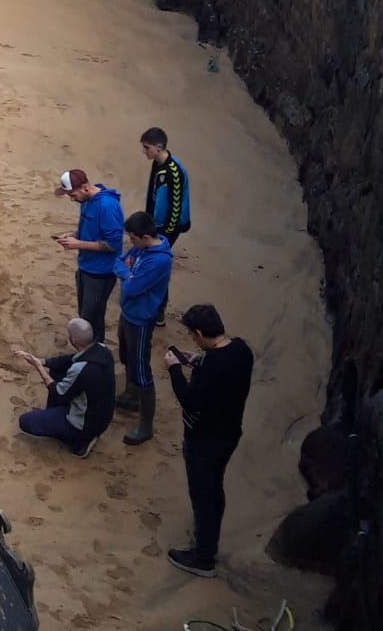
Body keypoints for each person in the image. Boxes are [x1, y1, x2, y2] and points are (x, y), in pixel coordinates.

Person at [164, 304, 254, 578]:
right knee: (215, 488)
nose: (193, 339)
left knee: (202, 495)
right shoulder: (241, 350)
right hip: (229, 433)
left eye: (193, 335)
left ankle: (203, 557)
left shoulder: (211, 367)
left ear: (201, 332)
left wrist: (175, 370)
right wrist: (198, 359)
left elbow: (189, 400)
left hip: (204, 439)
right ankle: (208, 540)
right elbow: (219, 368)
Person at [15, 317, 116, 458]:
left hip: (84, 424)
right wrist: (43, 361)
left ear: (73, 340)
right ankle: (56, 416)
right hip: (101, 416)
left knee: (26, 421)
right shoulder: (102, 350)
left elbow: (58, 393)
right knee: (56, 371)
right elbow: (70, 360)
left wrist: (38, 367)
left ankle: (80, 443)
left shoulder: (80, 370)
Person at [114, 212, 173, 446]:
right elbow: (119, 261)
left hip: (140, 320)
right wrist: (127, 272)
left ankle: (145, 425)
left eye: (133, 238)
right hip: (128, 313)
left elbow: (132, 287)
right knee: (126, 356)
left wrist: (127, 274)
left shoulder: (158, 260)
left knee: (141, 370)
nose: (131, 243)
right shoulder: (142, 249)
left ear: (146, 236)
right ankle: (130, 395)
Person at [53, 168, 125, 345]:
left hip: (100, 274)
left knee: (90, 320)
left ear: (85, 187)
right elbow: (89, 230)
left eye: (73, 194)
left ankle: (95, 353)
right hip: (86, 268)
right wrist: (73, 235)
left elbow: (113, 244)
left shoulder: (107, 207)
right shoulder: (86, 201)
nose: (71, 199)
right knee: (86, 315)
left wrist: (78, 244)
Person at [141, 127, 192, 326]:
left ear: (159, 147)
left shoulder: (174, 172)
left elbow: (175, 208)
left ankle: (159, 310)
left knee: (158, 265)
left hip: (167, 228)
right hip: (156, 224)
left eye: (147, 147)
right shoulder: (157, 163)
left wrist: (162, 238)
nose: (144, 151)